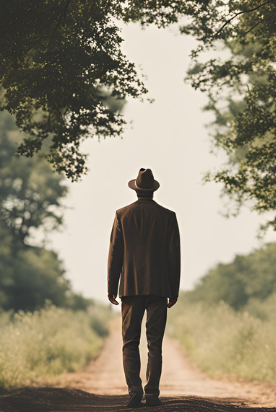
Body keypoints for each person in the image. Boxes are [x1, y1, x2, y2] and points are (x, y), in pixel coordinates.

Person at [107, 168, 181, 408]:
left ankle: (134, 392)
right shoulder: (168, 216)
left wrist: (111, 286)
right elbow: (174, 257)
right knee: (155, 343)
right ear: (152, 190)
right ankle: (152, 394)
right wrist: (174, 290)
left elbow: (114, 254)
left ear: (136, 189)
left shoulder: (122, 215)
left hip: (129, 288)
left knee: (130, 342)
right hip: (159, 288)